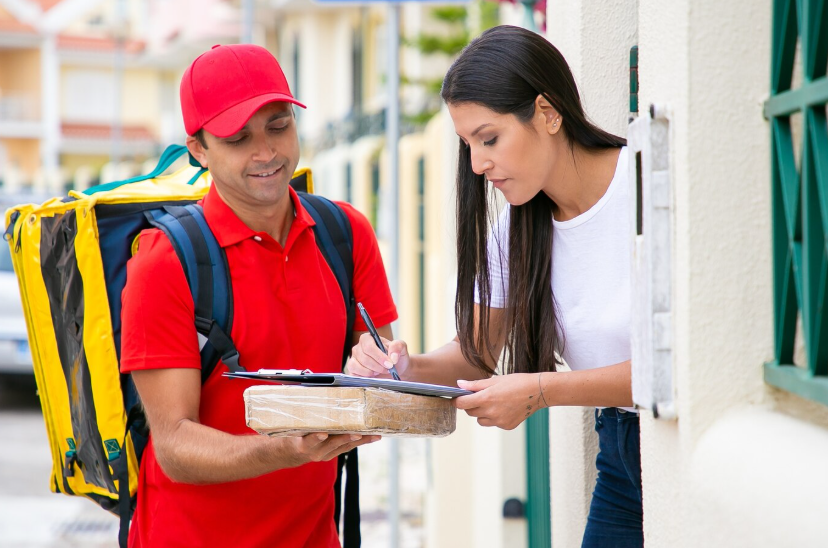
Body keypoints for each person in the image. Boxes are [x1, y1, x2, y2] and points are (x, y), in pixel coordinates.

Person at [347, 25, 641, 548]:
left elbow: (679, 368)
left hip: (675, 448)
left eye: (489, 139)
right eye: (468, 146)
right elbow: (475, 353)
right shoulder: (517, 228)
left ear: (547, 113)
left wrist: (540, 391)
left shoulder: (643, 186)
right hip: (619, 451)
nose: (478, 165)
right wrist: (404, 368)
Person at [120, 44, 397, 548]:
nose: (266, 152)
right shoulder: (164, 264)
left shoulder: (345, 233)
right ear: (198, 150)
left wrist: (383, 375)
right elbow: (175, 447)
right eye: (237, 138)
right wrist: (285, 448)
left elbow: (378, 373)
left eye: (278, 125)